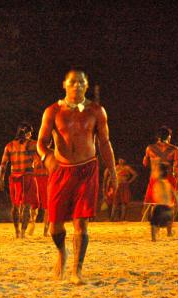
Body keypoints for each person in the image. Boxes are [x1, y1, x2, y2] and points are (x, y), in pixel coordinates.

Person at [37, 68, 116, 283]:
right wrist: (47, 158)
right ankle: (62, 253)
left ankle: (76, 271)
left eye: (81, 82)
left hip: (87, 170)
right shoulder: (52, 111)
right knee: (55, 225)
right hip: (61, 170)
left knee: (81, 223)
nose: (77, 86)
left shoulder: (96, 111)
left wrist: (112, 170)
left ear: (87, 85)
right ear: (64, 84)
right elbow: (41, 143)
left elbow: (104, 143)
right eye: (73, 82)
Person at [0, 122, 39, 238]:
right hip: (28, 176)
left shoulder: (9, 145)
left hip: (15, 177)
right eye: (30, 132)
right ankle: (22, 232)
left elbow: (3, 165)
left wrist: (1, 179)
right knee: (26, 206)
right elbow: (37, 160)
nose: (31, 135)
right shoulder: (33, 144)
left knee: (15, 206)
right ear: (27, 133)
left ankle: (16, 231)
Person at [142, 126, 178, 222]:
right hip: (168, 177)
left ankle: (154, 224)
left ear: (157, 137)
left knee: (154, 203)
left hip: (155, 177)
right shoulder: (174, 149)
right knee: (168, 203)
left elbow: (145, 163)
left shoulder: (150, 148)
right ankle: (168, 226)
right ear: (168, 136)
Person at [149, 162, 176, 241]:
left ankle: (153, 238)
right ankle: (169, 232)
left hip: (160, 206)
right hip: (168, 206)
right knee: (169, 220)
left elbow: (154, 174)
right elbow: (174, 193)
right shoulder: (167, 183)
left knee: (153, 222)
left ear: (160, 172)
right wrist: (176, 203)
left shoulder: (159, 180)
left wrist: (154, 164)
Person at [33, 153, 49, 236]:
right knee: (46, 207)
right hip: (41, 179)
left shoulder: (34, 155)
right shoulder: (50, 154)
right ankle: (44, 230)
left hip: (40, 179)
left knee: (35, 205)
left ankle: (34, 224)